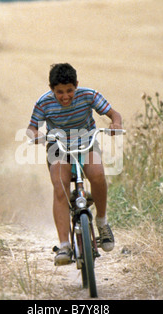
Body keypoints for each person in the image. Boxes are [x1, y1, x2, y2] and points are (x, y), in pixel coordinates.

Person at [26, 63, 123, 265]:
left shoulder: (89, 95)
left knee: (97, 176)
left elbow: (114, 114)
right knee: (60, 188)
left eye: (69, 90)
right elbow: (31, 128)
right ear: (51, 89)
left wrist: (116, 124)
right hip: (58, 148)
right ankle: (64, 246)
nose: (65, 96)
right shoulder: (43, 103)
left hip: (86, 144)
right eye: (59, 92)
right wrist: (37, 136)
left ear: (76, 85)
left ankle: (102, 223)